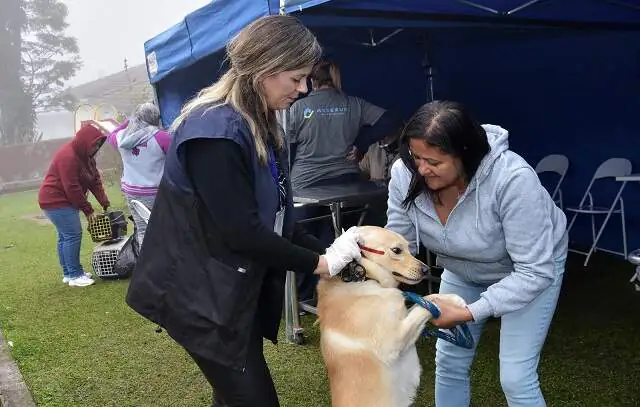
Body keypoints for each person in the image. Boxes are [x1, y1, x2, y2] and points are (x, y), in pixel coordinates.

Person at [125, 15, 363, 407]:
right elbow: (243, 232)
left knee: (234, 396)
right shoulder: (214, 130)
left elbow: (279, 219)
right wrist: (320, 263)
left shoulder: (260, 124)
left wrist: (334, 255)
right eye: (296, 78)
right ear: (265, 69)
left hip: (231, 291)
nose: (303, 89)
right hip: (199, 296)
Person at [386, 101, 568, 407]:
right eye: (416, 157)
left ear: (466, 155)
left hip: (528, 270)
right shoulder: (405, 174)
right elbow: (399, 242)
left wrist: (471, 311)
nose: (421, 168)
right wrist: (382, 284)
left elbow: (534, 271)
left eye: (433, 161)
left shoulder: (513, 180)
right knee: (450, 363)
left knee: (516, 376)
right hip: (462, 268)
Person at [286, 60, 401, 301]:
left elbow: (289, 149)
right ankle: (342, 291)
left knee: (303, 239)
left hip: (304, 184)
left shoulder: (298, 108)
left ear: (312, 81)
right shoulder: (353, 104)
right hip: (345, 182)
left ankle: (305, 295)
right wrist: (362, 142)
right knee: (340, 237)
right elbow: (391, 119)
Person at [38, 124, 111, 287]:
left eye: (98, 145)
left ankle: (69, 273)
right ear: (85, 142)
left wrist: (104, 201)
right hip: (55, 200)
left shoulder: (86, 157)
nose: (96, 148)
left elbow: (94, 180)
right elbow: (72, 187)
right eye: (94, 145)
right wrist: (88, 211)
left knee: (65, 237)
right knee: (72, 235)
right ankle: (75, 275)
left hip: (60, 200)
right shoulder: (68, 157)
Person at [107, 102, 170, 245]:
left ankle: (148, 264)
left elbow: (110, 135)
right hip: (156, 193)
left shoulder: (121, 137)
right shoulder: (162, 137)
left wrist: (127, 122)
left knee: (143, 230)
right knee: (165, 229)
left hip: (132, 192)